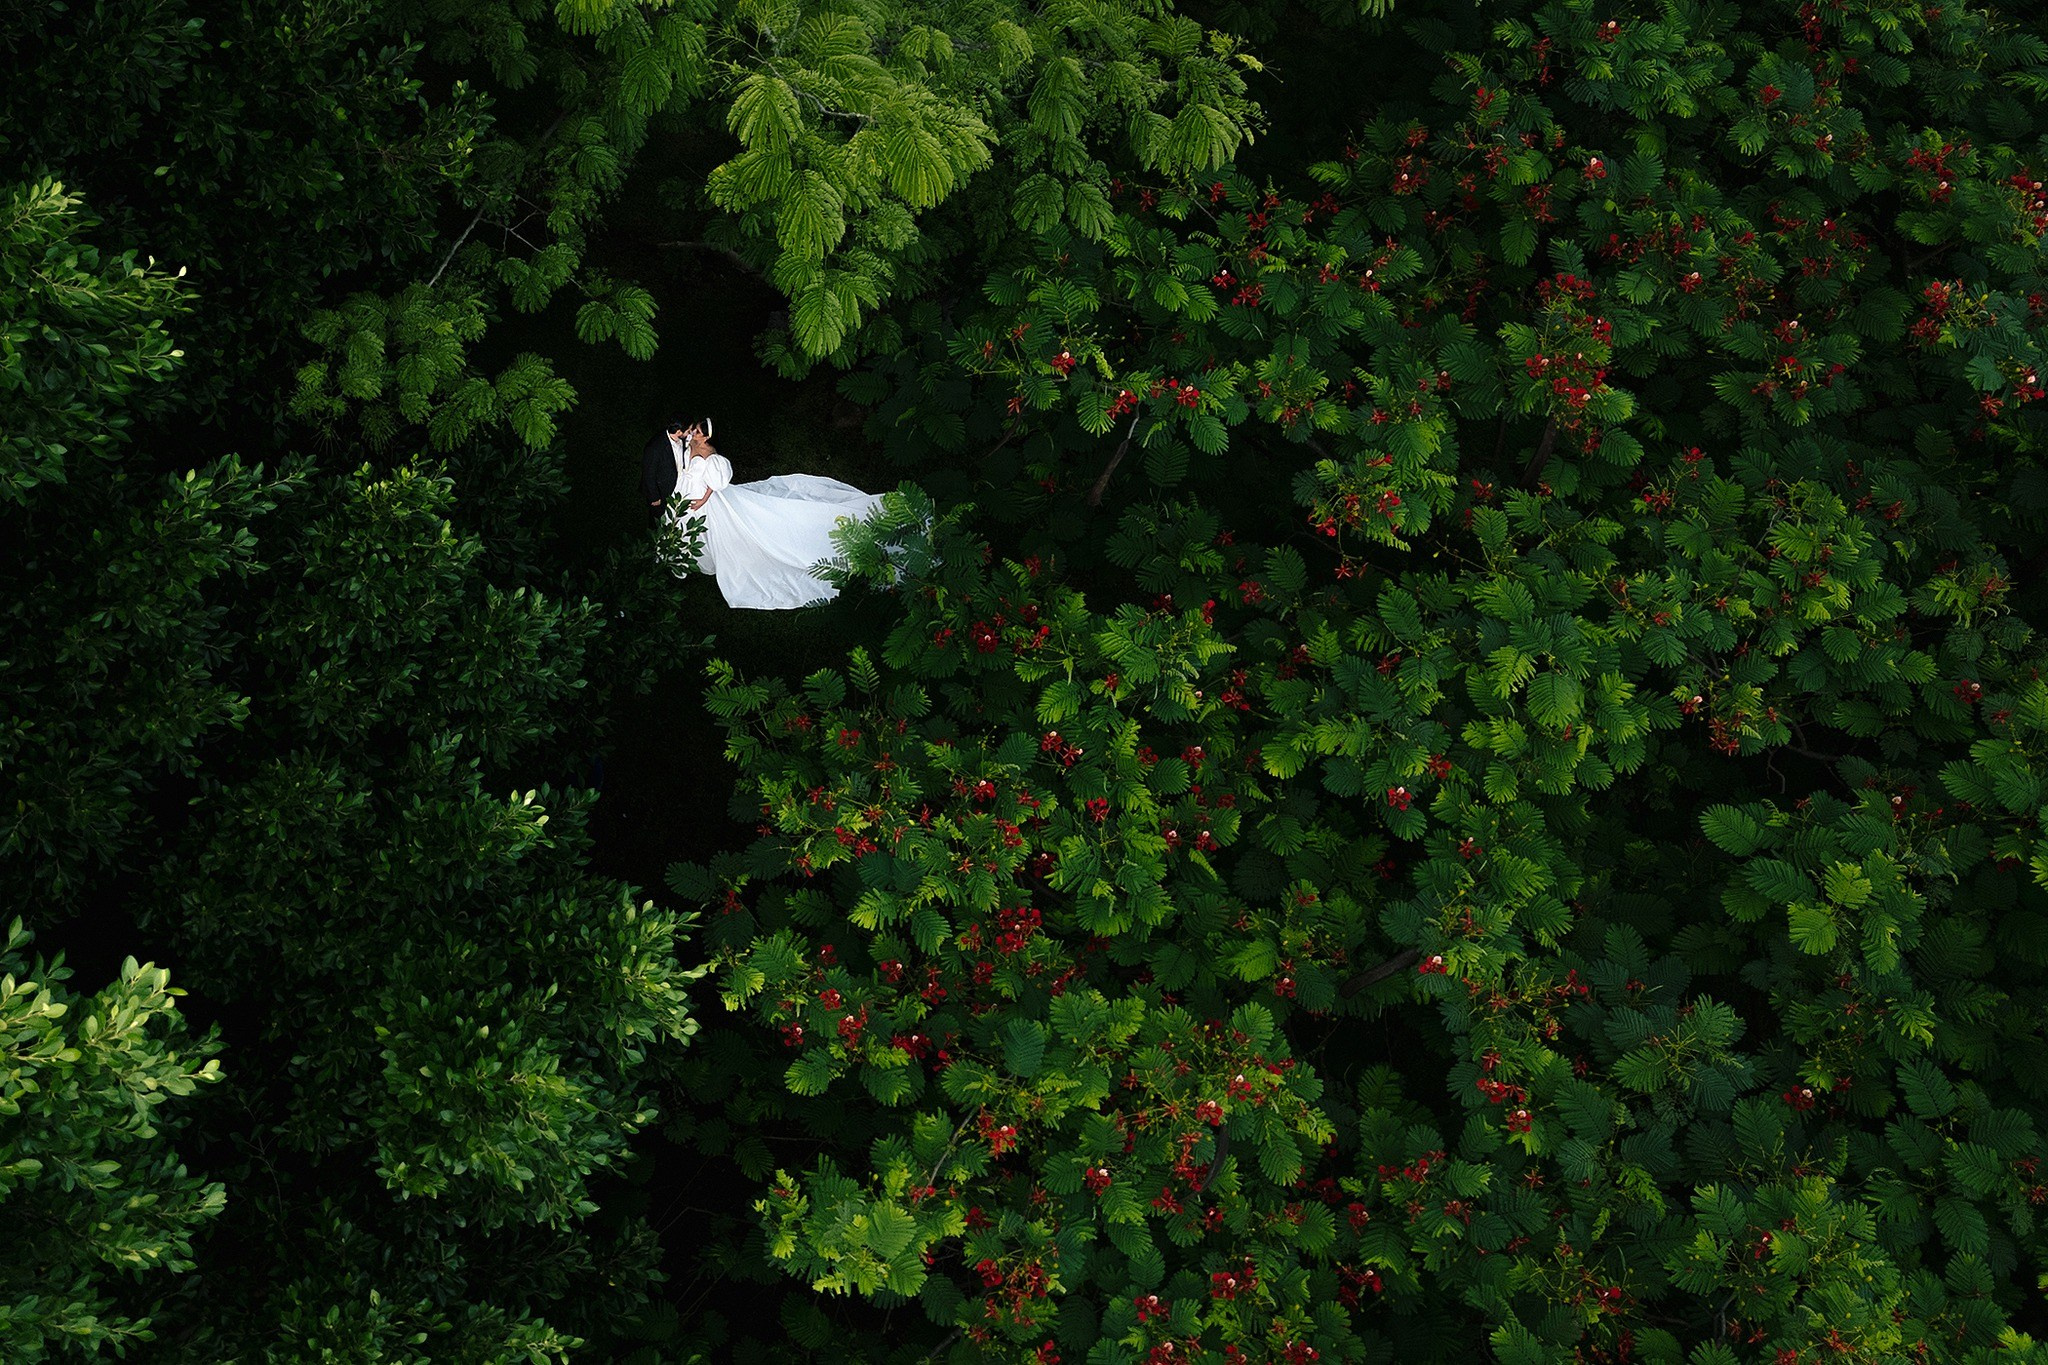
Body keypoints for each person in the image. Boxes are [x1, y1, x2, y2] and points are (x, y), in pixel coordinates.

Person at [662, 420, 887, 611]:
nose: (692, 432)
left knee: (717, 529)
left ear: (707, 438)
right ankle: (677, 553)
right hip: (683, 492)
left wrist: (704, 498)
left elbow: (718, 483)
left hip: (703, 500)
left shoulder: (712, 457)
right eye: (693, 429)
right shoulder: (686, 443)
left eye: (697, 431)